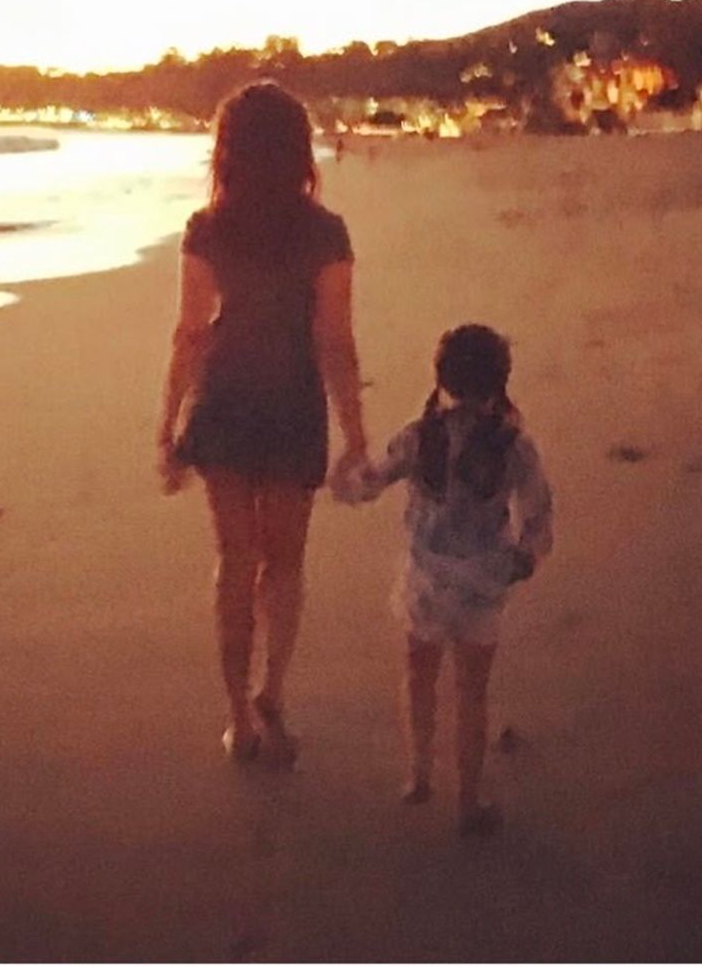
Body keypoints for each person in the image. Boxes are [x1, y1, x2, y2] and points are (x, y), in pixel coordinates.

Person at [156, 81, 368, 763]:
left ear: (228, 150)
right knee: (285, 563)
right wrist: (355, 433)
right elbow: (334, 339)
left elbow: (191, 333)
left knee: (234, 559)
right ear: (299, 148)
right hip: (292, 404)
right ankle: (272, 691)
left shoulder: (208, 229)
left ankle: (238, 718)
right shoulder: (325, 233)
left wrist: (167, 425)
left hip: (224, 401)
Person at [331, 323, 553, 834]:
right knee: (472, 692)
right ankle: (469, 799)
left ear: (442, 378)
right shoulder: (514, 446)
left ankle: (419, 774)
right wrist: (525, 559)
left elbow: (371, 482)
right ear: (500, 381)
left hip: (425, 579)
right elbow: (538, 515)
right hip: (482, 583)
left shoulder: (420, 437)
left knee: (419, 676)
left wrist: (343, 481)